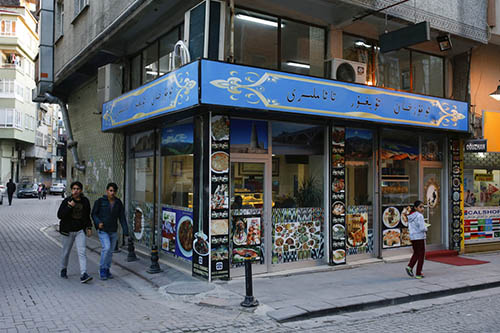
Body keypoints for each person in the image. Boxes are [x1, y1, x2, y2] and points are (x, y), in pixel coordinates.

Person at [92, 182, 129, 280]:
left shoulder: (118, 203)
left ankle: (107, 269)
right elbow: (94, 214)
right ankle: (102, 269)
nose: (112, 193)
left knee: (110, 251)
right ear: (107, 191)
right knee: (106, 248)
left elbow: (122, 217)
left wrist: (125, 230)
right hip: (103, 230)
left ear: (116, 192)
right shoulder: (100, 201)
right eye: (110, 190)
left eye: (114, 191)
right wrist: (98, 222)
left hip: (113, 230)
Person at [57, 181, 93, 283]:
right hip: (67, 231)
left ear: (81, 190)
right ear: (71, 190)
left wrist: (89, 227)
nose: (76, 191)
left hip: (79, 231)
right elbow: (60, 215)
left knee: (82, 252)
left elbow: (87, 216)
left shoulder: (85, 201)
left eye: (77, 189)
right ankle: (63, 269)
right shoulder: (67, 201)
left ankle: (83, 274)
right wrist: (69, 206)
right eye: (74, 189)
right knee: (66, 253)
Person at [405, 200, 428, 279]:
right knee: (421, 255)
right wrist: (426, 228)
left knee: (416, 253)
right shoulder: (419, 216)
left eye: (423, 207)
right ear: (415, 208)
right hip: (419, 237)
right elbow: (422, 228)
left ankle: (410, 266)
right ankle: (418, 272)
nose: (422, 209)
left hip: (413, 237)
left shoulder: (411, 216)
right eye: (420, 207)